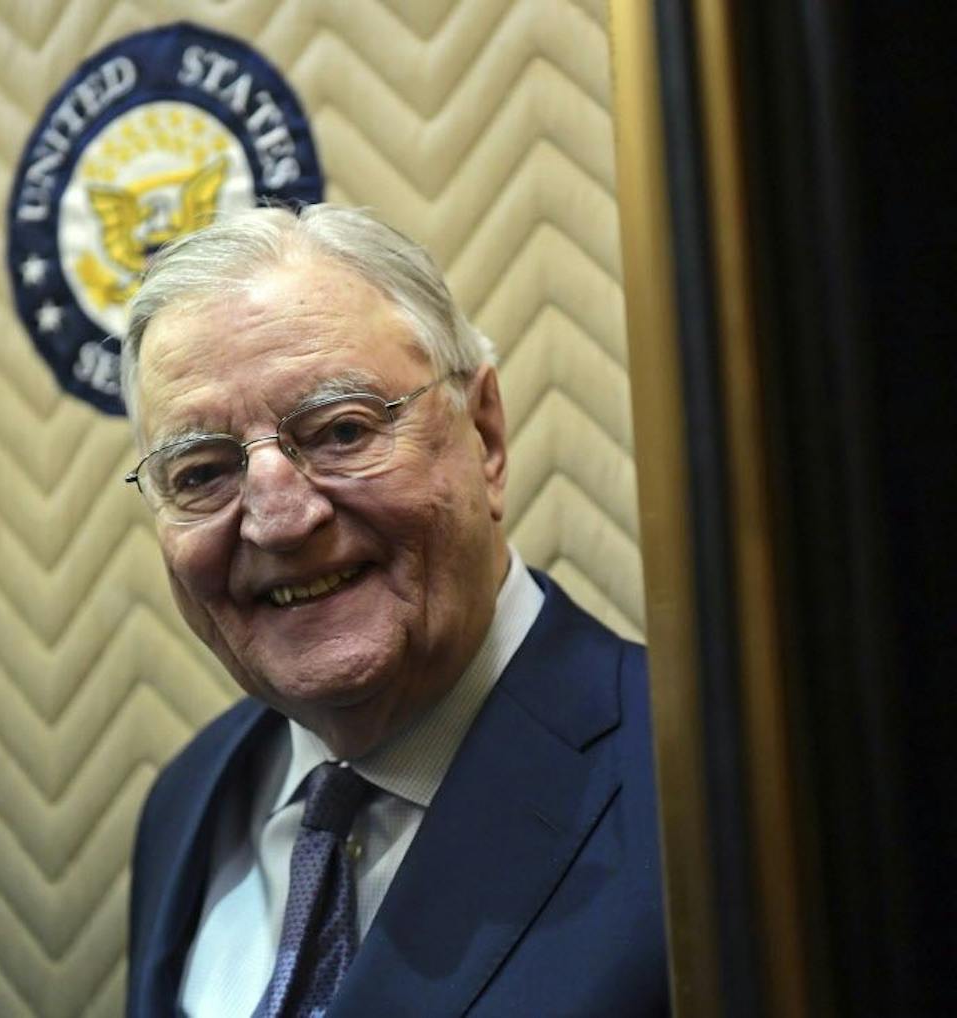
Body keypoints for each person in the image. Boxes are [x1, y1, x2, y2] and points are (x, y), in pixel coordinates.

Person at [120, 204, 668, 1017]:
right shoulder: (192, 799)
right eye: (201, 474)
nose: (279, 518)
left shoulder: (693, 785)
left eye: (342, 430)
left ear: (483, 436)